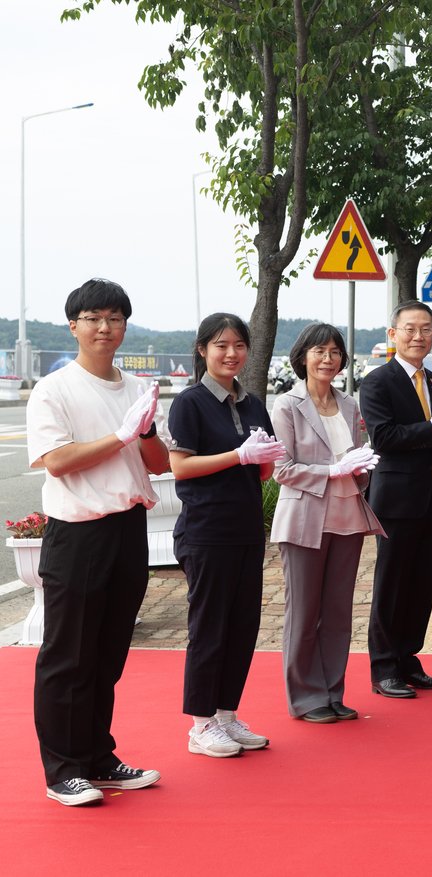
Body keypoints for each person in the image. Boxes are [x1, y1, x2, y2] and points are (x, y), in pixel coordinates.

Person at [26, 278, 168, 806]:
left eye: (114, 318)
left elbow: (160, 464)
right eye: (93, 318)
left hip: (127, 528)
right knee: (69, 655)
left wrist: (146, 432)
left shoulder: (136, 389)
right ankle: (62, 768)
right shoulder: (54, 389)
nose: (104, 327)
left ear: (125, 325)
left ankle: (97, 757)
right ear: (74, 325)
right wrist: (119, 436)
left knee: (108, 653)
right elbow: (58, 461)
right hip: (78, 531)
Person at [167, 313, 284, 757]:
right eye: (221, 345)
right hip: (206, 530)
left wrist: (267, 456)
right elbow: (180, 466)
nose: (231, 353)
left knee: (242, 625)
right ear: (202, 350)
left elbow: (264, 471)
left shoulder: (252, 402)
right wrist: (238, 454)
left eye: (238, 345)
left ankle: (226, 715)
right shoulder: (190, 402)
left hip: (247, 528)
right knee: (210, 627)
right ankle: (200, 725)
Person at [358, 302, 432, 698]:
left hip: (430, 498)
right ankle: (384, 666)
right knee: (391, 584)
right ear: (393, 334)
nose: (419, 336)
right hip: (394, 499)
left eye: (426, 329)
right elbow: (385, 437)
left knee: (422, 583)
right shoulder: (378, 382)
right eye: (410, 329)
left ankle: (409, 659)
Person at [271, 323, 386, 723]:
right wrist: (333, 469)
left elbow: (356, 464)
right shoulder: (286, 405)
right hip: (305, 519)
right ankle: (305, 698)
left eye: (335, 352)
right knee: (304, 612)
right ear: (303, 356)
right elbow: (282, 469)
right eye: (319, 351)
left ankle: (332, 692)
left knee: (338, 612)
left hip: (348, 517)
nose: (328, 359)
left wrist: (361, 468)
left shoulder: (350, 405)